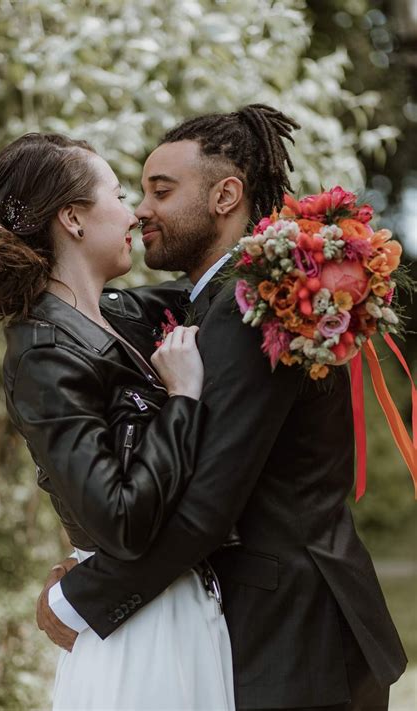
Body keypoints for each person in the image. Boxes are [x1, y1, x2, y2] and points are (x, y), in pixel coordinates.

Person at [39, 105, 407, 711]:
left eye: (162, 190)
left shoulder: (249, 306)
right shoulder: (226, 296)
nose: (140, 211)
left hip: (294, 641)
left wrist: (81, 597)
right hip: (289, 627)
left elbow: (210, 501)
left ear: (225, 195)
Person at [0, 132, 235, 710]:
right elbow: (120, 520)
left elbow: (222, 286)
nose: (136, 212)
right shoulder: (44, 354)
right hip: (141, 637)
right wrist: (183, 400)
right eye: (118, 194)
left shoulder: (123, 317)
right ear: (74, 219)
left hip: (183, 610)